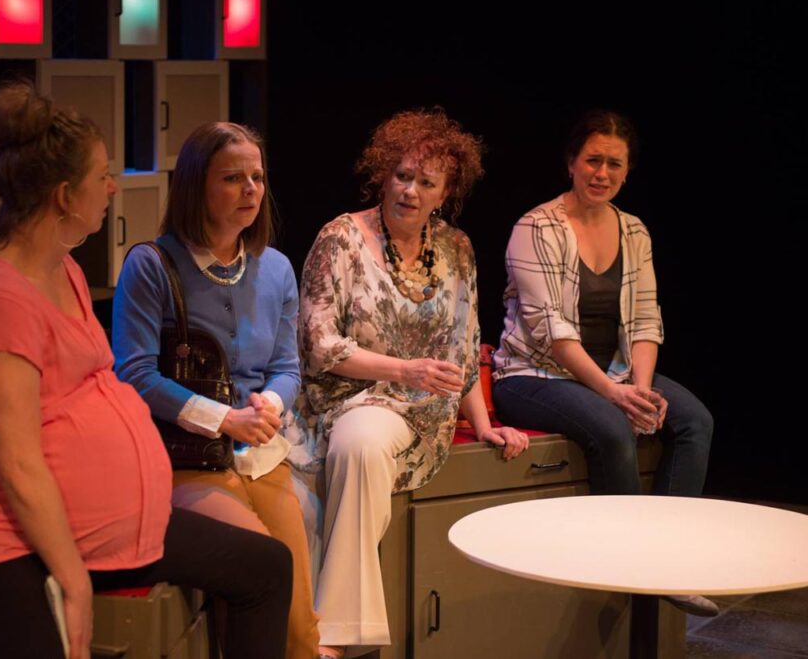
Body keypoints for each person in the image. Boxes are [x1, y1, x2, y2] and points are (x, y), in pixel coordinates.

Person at [0, 85, 292, 659]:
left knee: (266, 566)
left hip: (102, 523)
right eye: (103, 176)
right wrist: (71, 581)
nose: (113, 188)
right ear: (66, 195)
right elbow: (18, 464)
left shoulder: (62, 268)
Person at [295, 108, 529, 658]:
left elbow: (465, 348)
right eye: (402, 175)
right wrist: (404, 370)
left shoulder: (457, 248)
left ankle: (332, 631)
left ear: (445, 192)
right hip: (350, 398)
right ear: (382, 173)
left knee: (368, 443)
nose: (410, 190)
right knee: (360, 441)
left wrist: (484, 423)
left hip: (426, 412)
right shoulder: (341, 238)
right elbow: (320, 346)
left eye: (426, 182)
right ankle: (340, 637)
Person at [490, 109, 716, 614]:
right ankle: (626, 565)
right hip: (533, 374)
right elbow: (551, 331)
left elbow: (644, 320)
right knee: (614, 428)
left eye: (615, 164)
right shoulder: (537, 226)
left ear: (628, 170)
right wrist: (617, 396)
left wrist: (639, 387)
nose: (602, 173)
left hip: (610, 371)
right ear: (571, 162)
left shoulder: (634, 231)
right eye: (593, 160)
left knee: (695, 421)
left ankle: (666, 564)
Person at [112, 122, 320, 659]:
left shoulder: (275, 268)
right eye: (232, 178)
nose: (251, 189)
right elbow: (133, 375)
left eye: (257, 176)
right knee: (259, 567)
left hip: (262, 457)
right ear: (195, 187)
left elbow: (286, 367)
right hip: (186, 460)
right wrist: (224, 420)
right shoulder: (151, 264)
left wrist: (269, 406)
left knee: (298, 621)